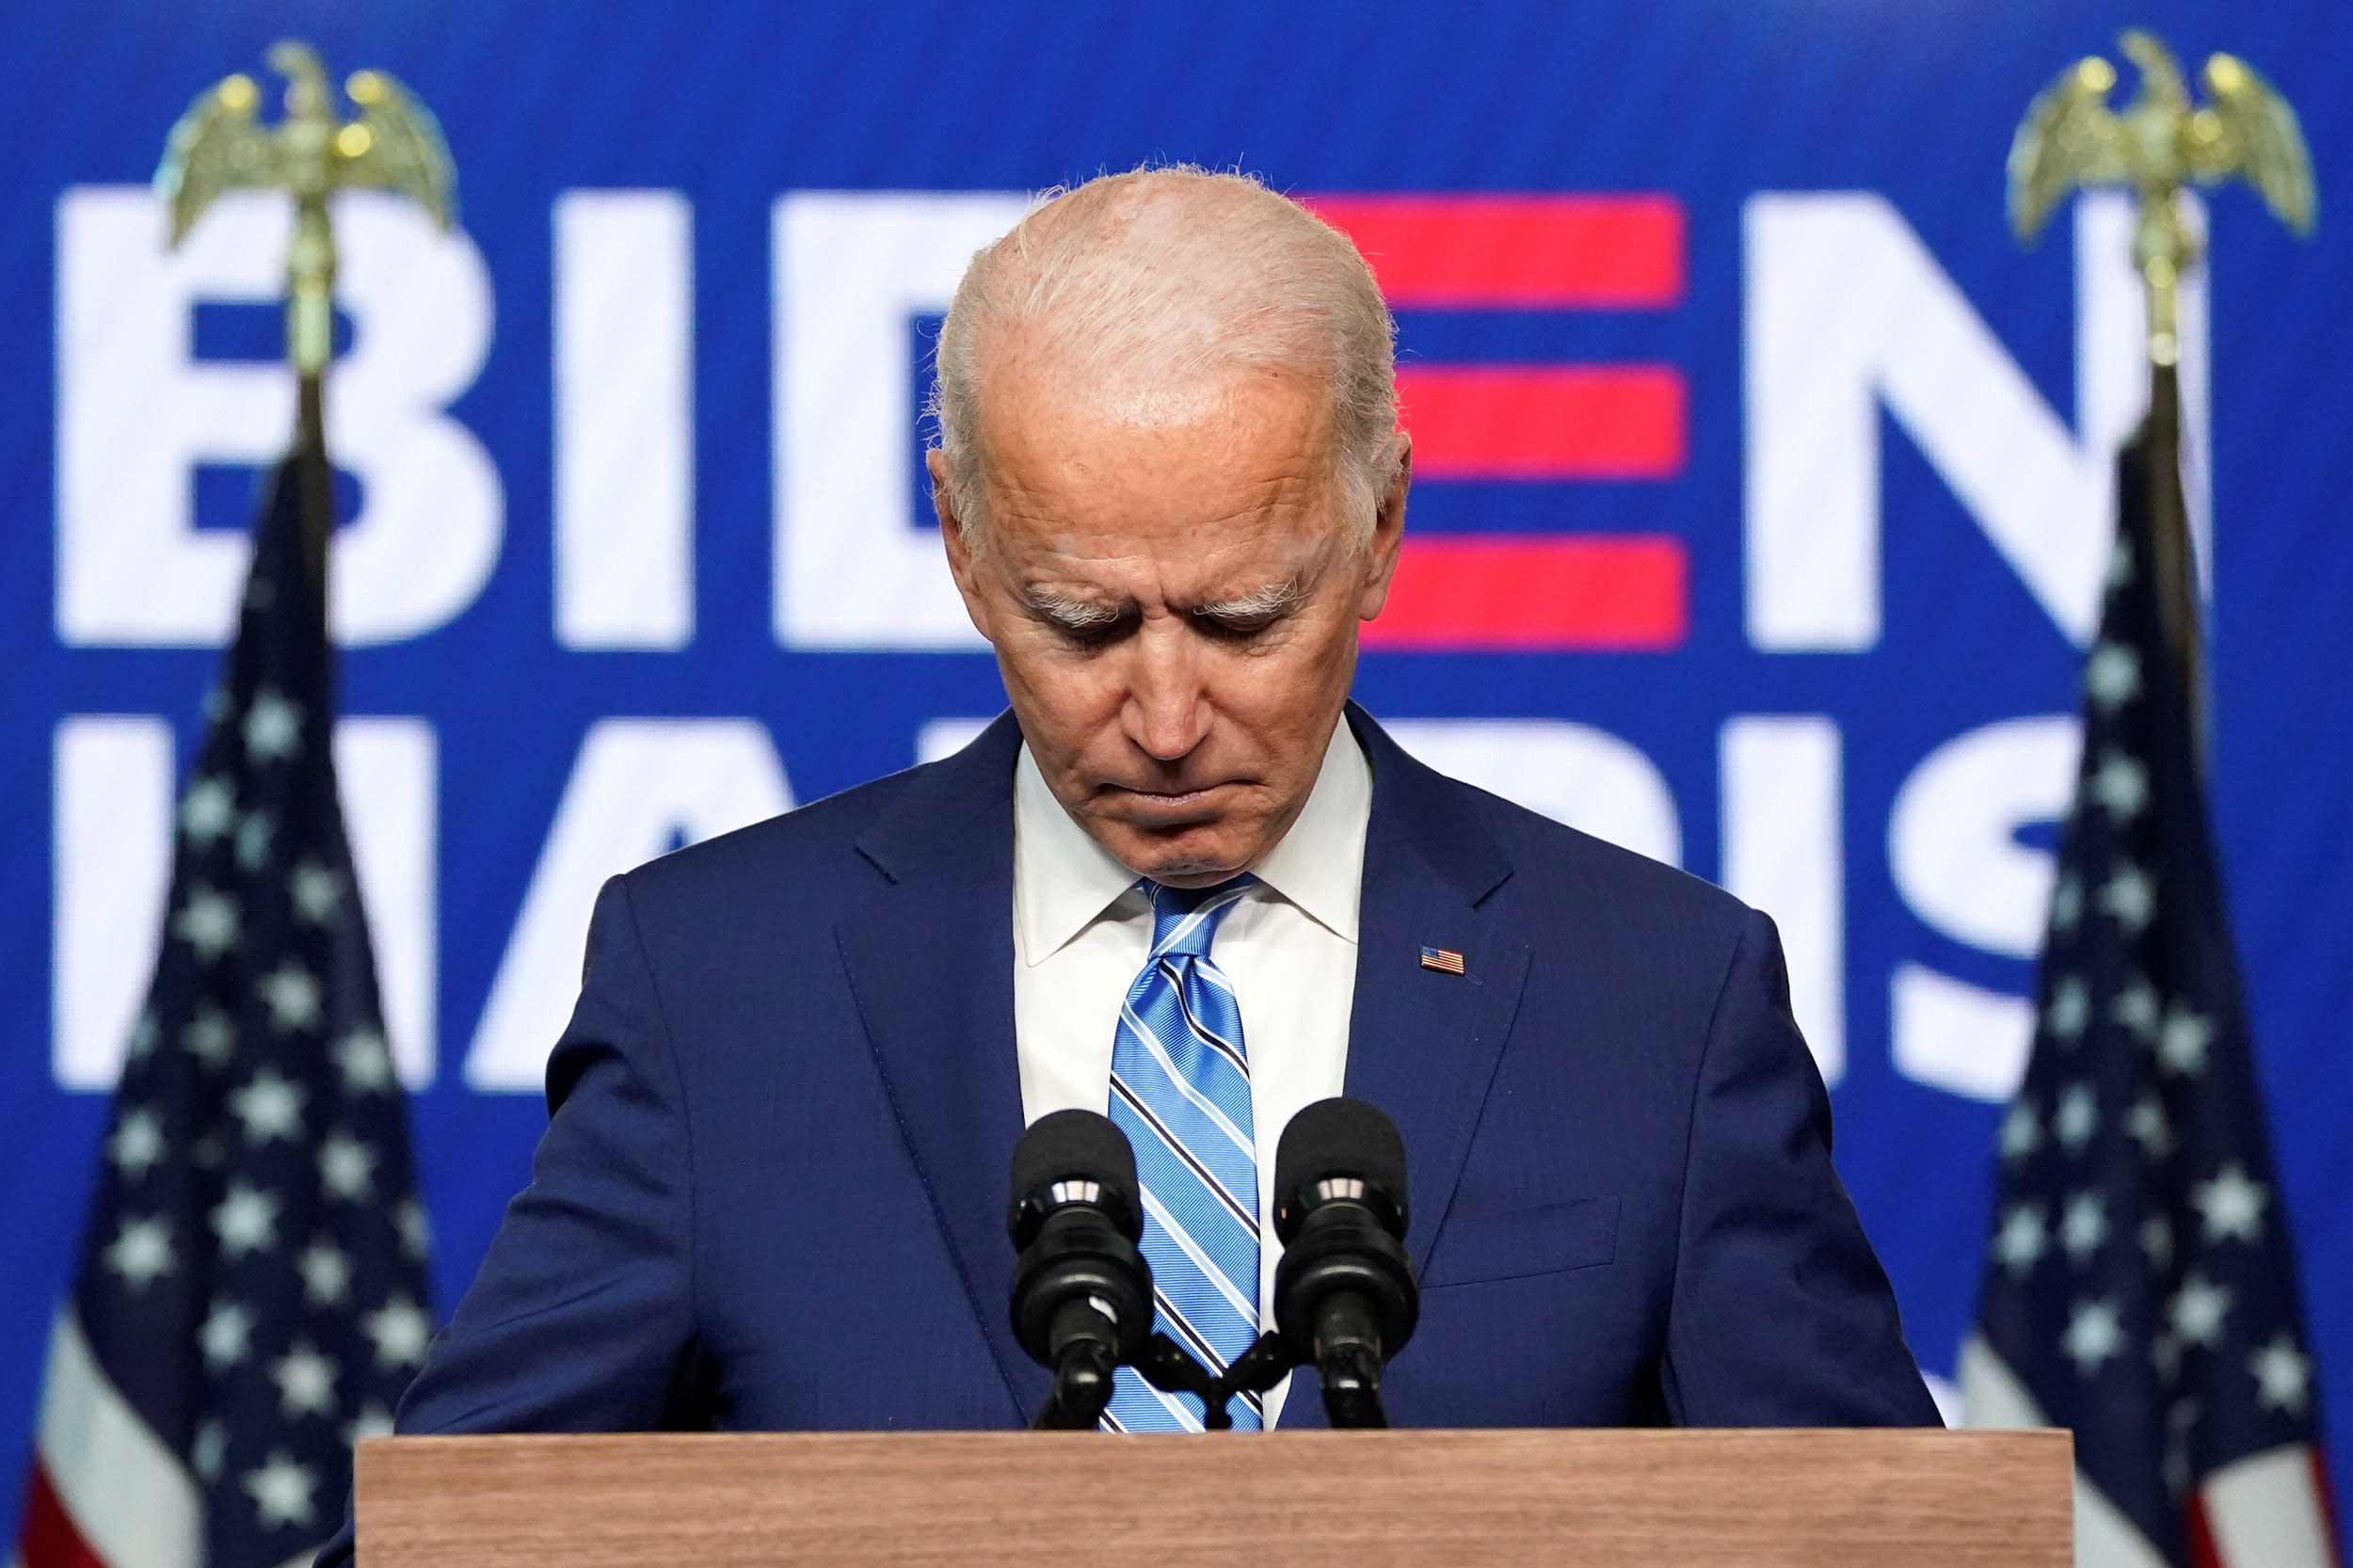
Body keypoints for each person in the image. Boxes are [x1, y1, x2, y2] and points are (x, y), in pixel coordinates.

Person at [376, 167, 1937, 1459]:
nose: (1171, 717)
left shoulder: (1656, 1000)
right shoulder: (720, 988)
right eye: (1085, 622)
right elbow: (453, 1533)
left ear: (1382, 525)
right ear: (963, 543)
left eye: (1246, 617)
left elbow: (1881, 1540)